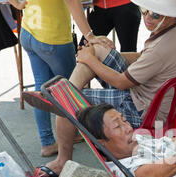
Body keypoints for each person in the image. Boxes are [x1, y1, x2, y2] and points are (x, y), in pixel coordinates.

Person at [23, 0, 176, 177]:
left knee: (67, 102)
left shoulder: (162, 47)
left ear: (172, 15)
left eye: (156, 14)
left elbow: (121, 82)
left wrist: (90, 60)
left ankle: (62, 145)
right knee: (96, 48)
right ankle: (65, 92)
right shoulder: (175, 31)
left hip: (141, 108)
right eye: (144, 10)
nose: (147, 18)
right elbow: (143, 58)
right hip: (145, 96)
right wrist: (101, 54)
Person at [8, 0, 113, 157]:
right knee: (71, 91)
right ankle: (76, 134)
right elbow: (72, 2)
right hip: (52, 37)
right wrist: (89, 35)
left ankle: (48, 142)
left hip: (29, 30)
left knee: (42, 89)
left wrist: (17, 4)